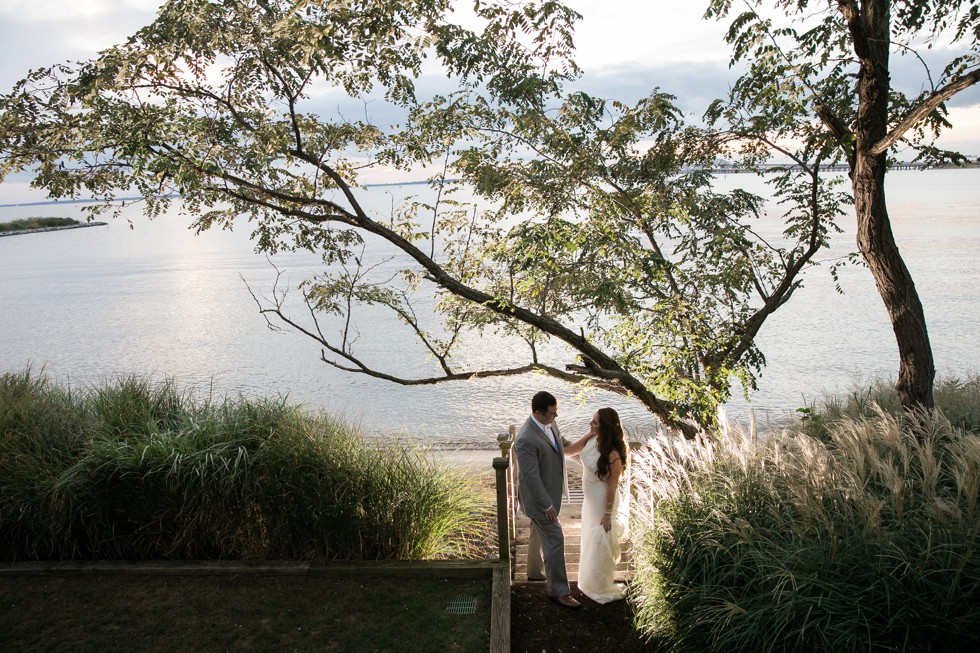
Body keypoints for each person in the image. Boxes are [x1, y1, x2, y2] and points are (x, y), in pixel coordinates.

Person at [514, 391, 582, 609]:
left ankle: (534, 573)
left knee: (537, 532)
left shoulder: (550, 424)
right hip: (539, 500)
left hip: (550, 492)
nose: (555, 416)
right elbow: (531, 478)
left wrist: (588, 444)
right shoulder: (525, 439)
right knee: (555, 538)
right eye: (552, 414)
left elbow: (561, 445)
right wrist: (547, 506)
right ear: (538, 413)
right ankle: (559, 591)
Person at [564, 407, 628, 603]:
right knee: (589, 538)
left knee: (599, 540)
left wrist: (607, 513)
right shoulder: (592, 438)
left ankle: (599, 584)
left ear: (606, 427)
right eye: (591, 421)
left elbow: (612, 485)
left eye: (595, 423)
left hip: (603, 501)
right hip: (589, 501)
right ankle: (589, 581)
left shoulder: (613, 454)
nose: (590, 425)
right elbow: (569, 452)